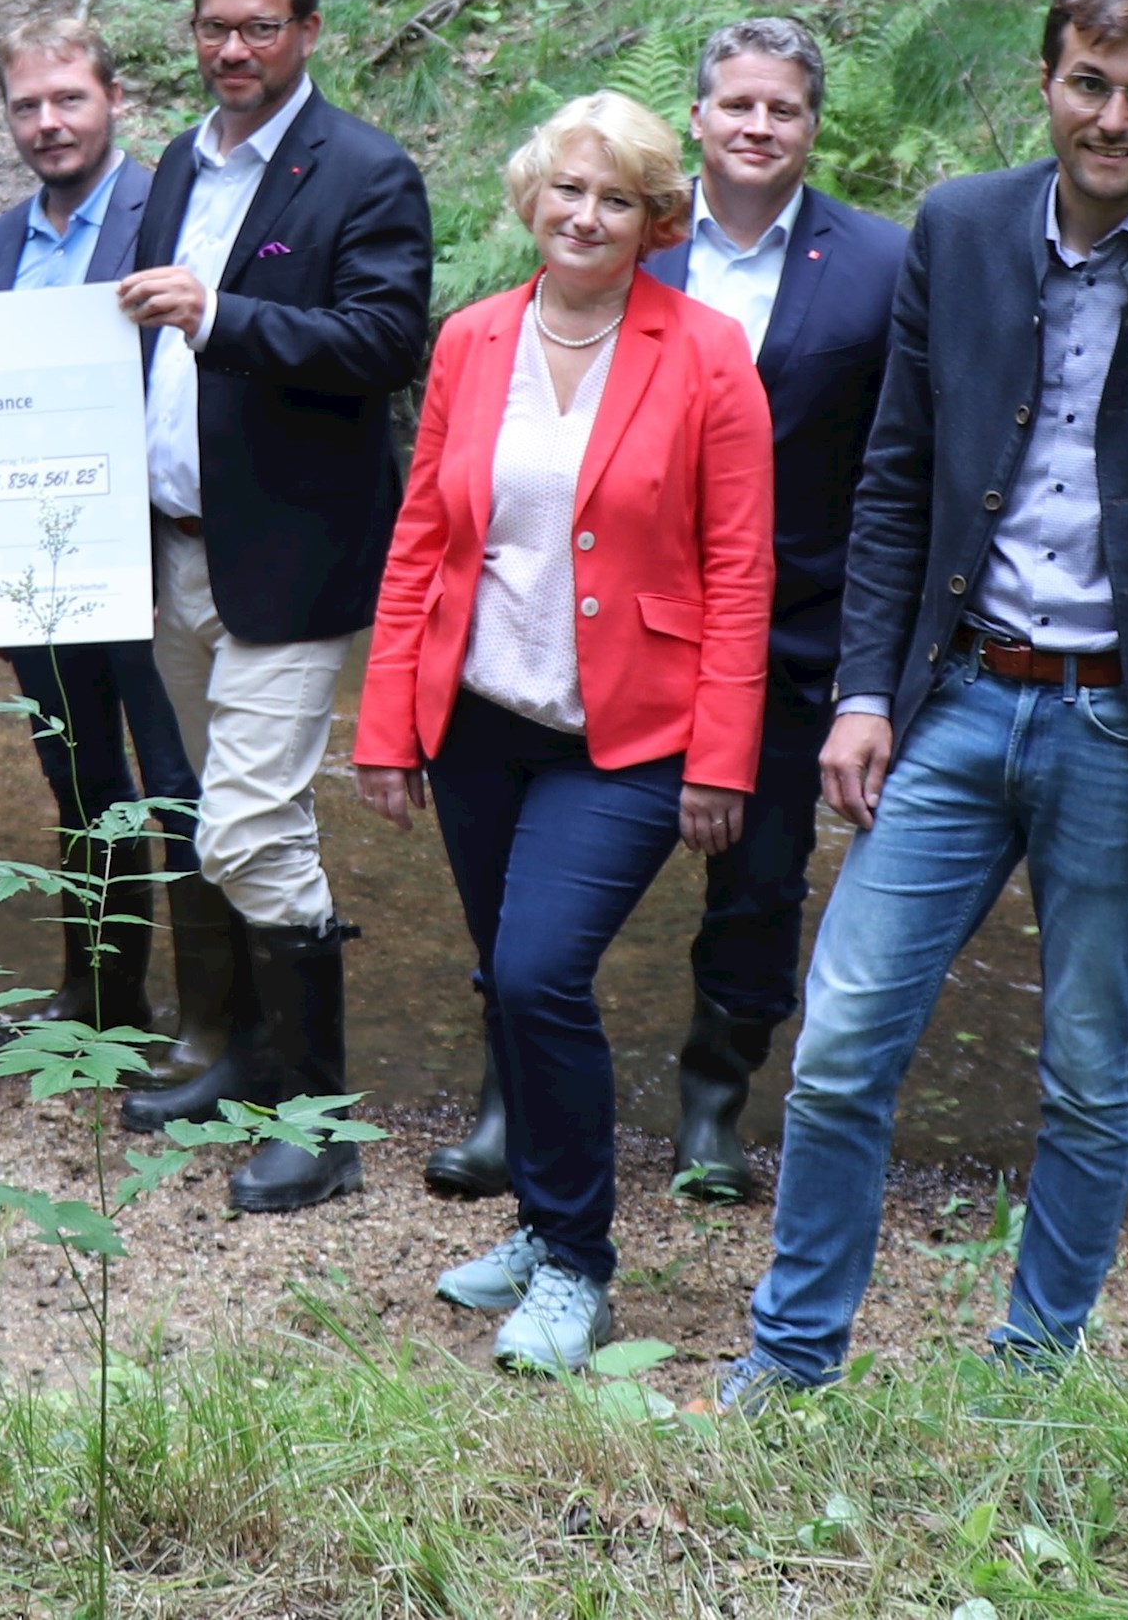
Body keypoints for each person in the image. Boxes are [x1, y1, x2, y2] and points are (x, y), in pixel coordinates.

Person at [724, 0, 1128, 1404]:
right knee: (845, 1038)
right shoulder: (963, 225)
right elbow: (895, 477)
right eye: (1089, 84)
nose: (1113, 118)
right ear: (1048, 81)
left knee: (1093, 1069)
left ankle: (1030, 1374)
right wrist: (864, 691)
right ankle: (792, 1363)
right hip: (958, 694)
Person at [431, 16, 906, 1208]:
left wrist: (874, 661)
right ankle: (509, 1102)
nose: (755, 126)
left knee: (757, 883)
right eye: (734, 104)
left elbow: (900, 461)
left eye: (782, 108)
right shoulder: (628, 237)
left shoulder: (878, 266)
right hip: (598, 628)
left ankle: (712, 1102)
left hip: (788, 627)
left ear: (811, 124)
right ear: (695, 119)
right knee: (529, 902)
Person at [355, 94, 775, 1371]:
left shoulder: (706, 353)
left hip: (631, 732)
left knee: (539, 972)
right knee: (505, 982)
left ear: (654, 220)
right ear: (530, 201)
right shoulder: (474, 338)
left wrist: (722, 758)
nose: (584, 216)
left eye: (615, 198)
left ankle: (580, 1268)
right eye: (565, 191)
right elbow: (423, 535)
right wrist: (386, 725)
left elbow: (742, 567)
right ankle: (542, 1230)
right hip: (481, 719)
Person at [113, 0, 433, 1215]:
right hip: (169, 549)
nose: (233, 49)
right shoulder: (177, 164)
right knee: (215, 822)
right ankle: (243, 1059)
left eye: (258, 26)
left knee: (248, 827)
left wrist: (220, 317)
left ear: (308, 31)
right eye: (212, 27)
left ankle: (321, 1124)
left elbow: (384, 339)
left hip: (291, 560)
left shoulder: (364, 170)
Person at [0, 15, 204, 1041]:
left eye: (68, 98)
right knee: (74, 773)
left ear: (114, 100)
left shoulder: (172, 205)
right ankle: (101, 990)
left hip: (153, 556)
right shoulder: (2, 234)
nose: (47, 122)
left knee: (176, 784)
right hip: (43, 555)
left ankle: (207, 1023)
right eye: (26, 104)